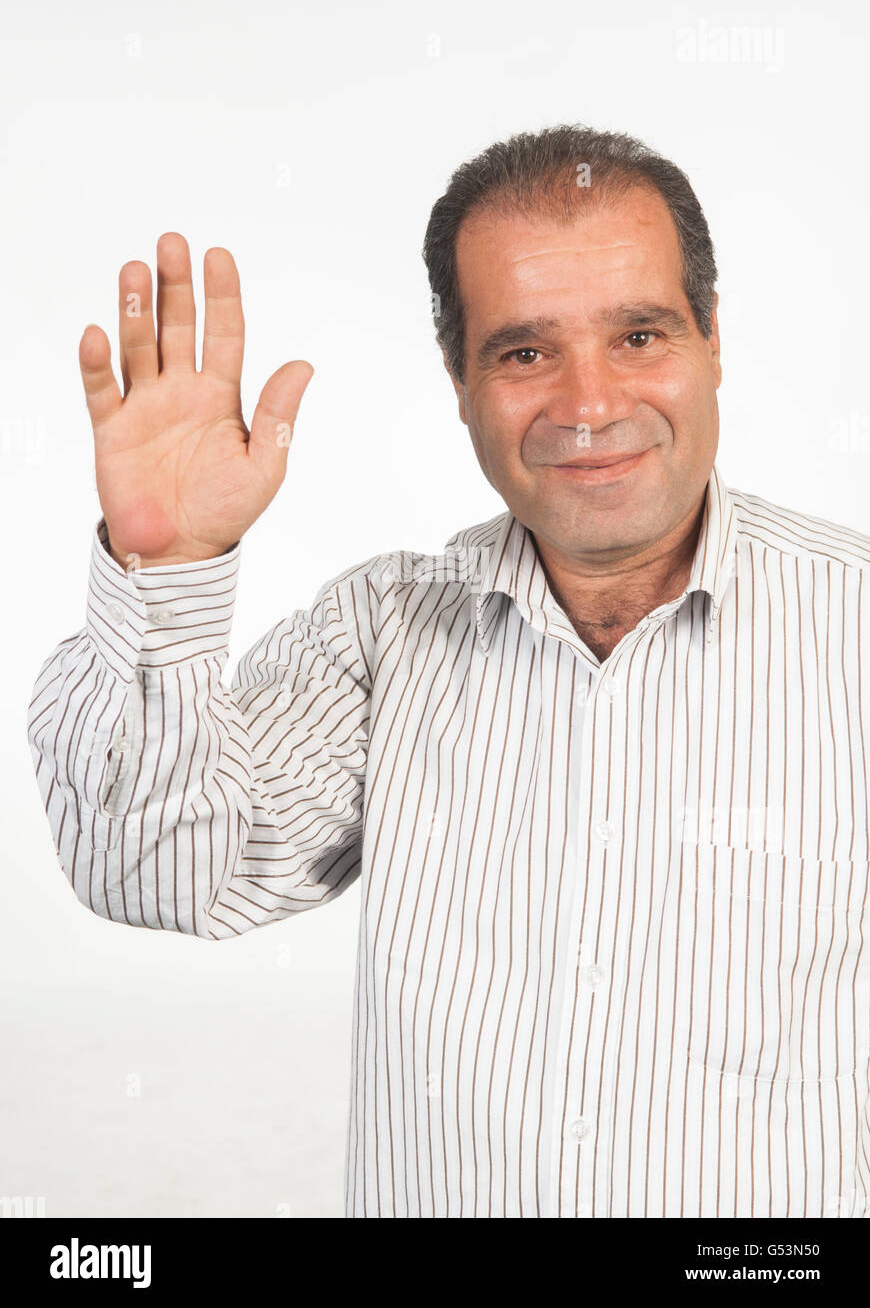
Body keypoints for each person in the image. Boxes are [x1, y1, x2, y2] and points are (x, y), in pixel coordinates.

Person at [27, 125, 870, 1218]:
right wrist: (171, 568)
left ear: (713, 338)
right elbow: (155, 871)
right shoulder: (384, 634)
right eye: (525, 351)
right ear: (459, 380)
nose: (587, 403)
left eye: (640, 334)